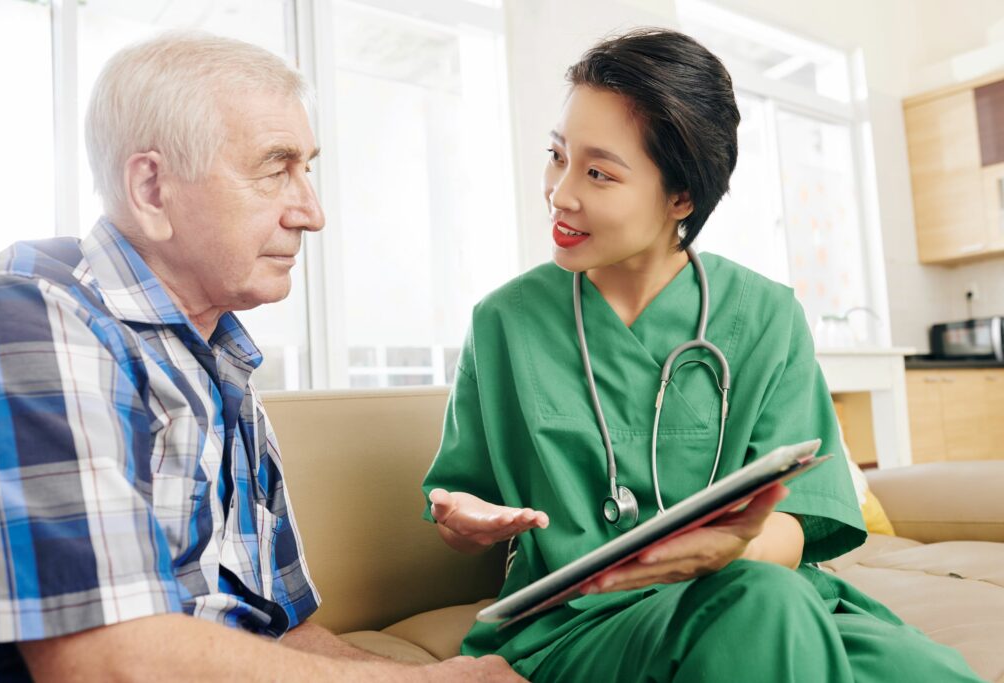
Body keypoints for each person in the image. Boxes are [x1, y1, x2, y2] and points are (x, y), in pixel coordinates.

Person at [421, 28, 983, 682]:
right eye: (557, 154)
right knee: (765, 608)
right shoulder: (505, 323)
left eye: (598, 172)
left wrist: (726, 552)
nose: (560, 192)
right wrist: (464, 518)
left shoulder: (766, 315)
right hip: (581, 625)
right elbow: (461, 493)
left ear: (681, 197)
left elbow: (801, 518)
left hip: (761, 594)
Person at [0, 32, 521, 683]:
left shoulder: (222, 358)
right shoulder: (31, 310)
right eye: (274, 167)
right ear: (151, 188)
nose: (313, 213)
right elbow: (103, 660)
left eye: (307, 168)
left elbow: (276, 628)